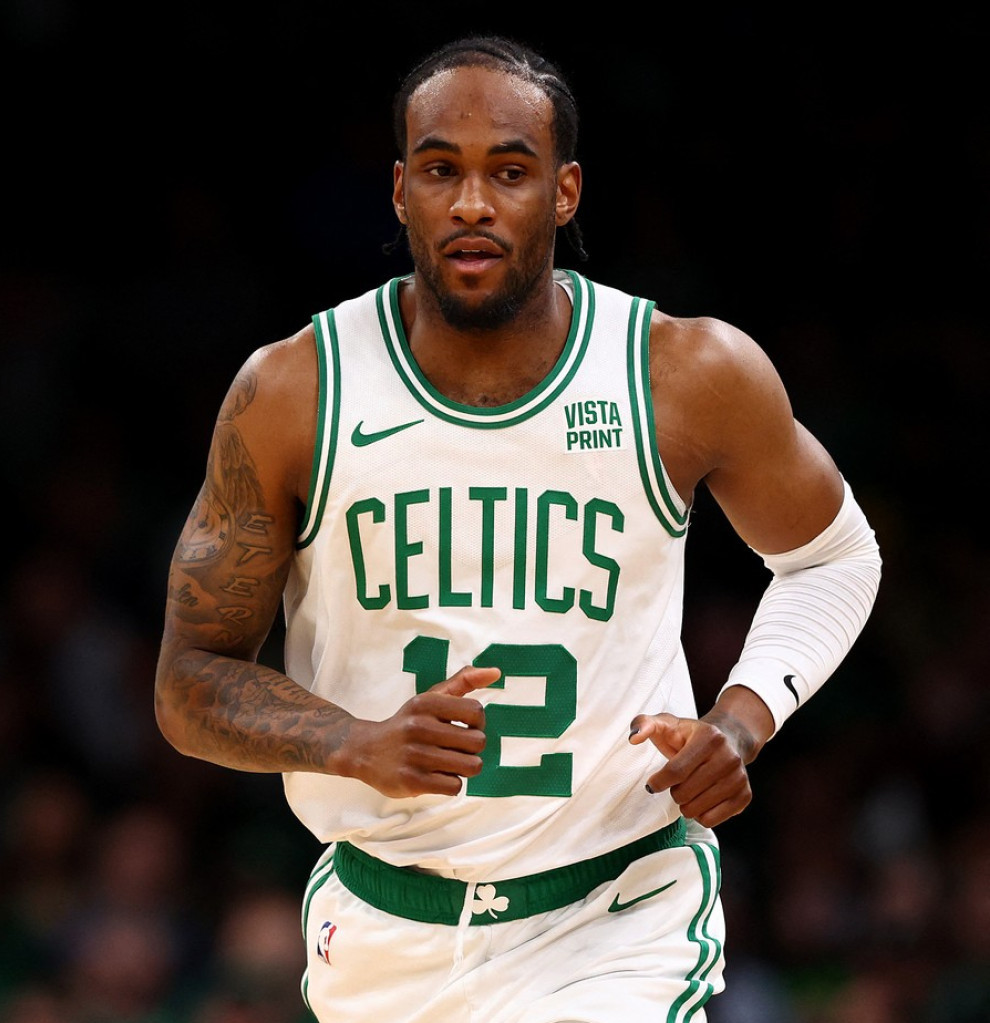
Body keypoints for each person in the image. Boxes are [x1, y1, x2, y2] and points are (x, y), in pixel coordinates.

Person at [153, 33, 881, 1023]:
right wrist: (354, 743)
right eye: (440, 170)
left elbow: (832, 556)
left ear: (564, 191)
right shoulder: (293, 392)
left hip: (615, 915)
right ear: (399, 190)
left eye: (508, 171)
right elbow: (188, 680)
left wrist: (740, 720)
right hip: (381, 929)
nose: (471, 204)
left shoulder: (681, 373)